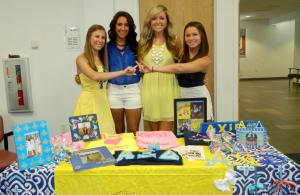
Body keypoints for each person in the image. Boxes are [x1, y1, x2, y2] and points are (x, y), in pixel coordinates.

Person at [139, 21, 213, 120]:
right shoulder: (182, 53)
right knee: (184, 132)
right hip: (181, 98)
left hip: (198, 99)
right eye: (188, 35)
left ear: (202, 36)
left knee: (198, 133)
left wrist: (152, 68)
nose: (191, 38)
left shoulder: (205, 59)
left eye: (195, 34)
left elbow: (179, 68)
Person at [73, 24, 136, 135]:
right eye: (97, 36)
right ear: (89, 38)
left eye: (103, 38)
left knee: (108, 138)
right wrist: (123, 72)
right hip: (87, 104)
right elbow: (95, 76)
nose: (100, 40)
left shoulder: (103, 58)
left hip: (103, 104)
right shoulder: (81, 58)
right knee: (86, 139)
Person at [138, 4, 181, 131]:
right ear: (149, 22)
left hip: (169, 90)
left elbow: (183, 65)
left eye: (162, 18)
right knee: (154, 137)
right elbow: (141, 67)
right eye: (154, 18)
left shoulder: (175, 40)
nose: (158, 22)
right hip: (149, 91)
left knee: (165, 135)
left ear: (167, 21)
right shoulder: (143, 42)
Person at [107, 11, 141, 135]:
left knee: (133, 131)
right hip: (113, 91)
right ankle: (120, 154)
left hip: (133, 91)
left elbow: (146, 65)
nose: (123, 28)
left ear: (130, 27)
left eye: (126, 25)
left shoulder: (137, 46)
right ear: (114, 26)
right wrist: (79, 75)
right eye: (119, 24)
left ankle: (132, 154)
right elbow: (92, 62)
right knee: (118, 131)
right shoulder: (106, 48)